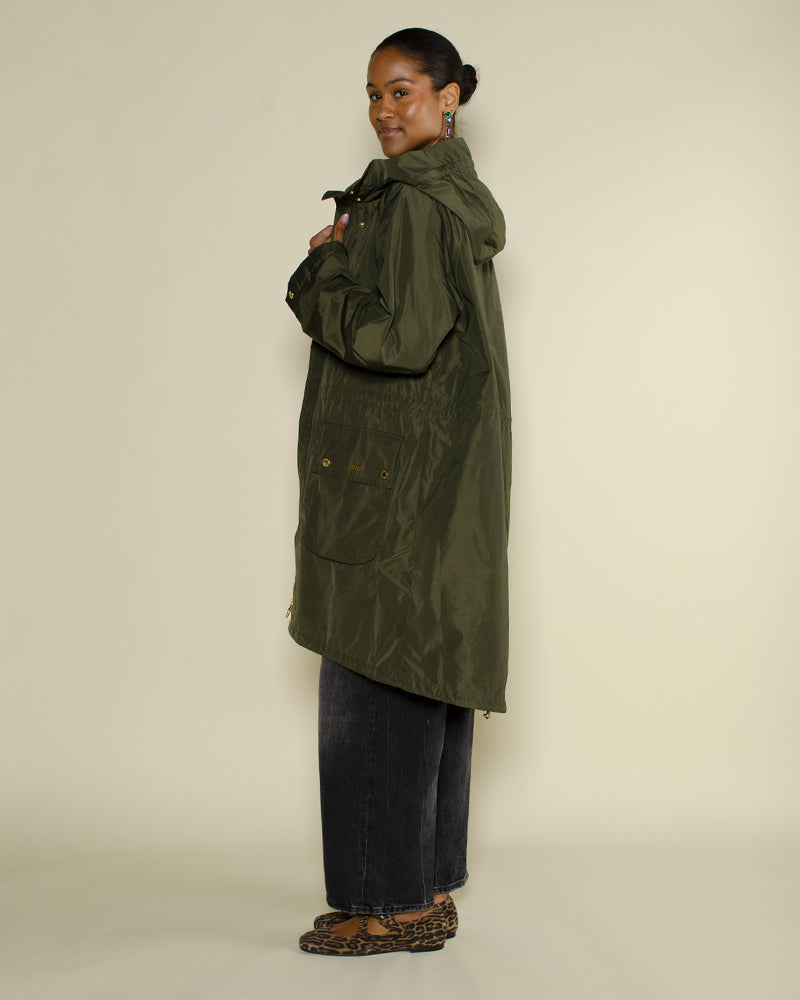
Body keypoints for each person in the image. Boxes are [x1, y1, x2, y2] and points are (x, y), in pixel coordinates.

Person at [285, 27, 511, 956]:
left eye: (403, 90)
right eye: (375, 93)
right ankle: (421, 893)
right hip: (432, 478)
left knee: (374, 674)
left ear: (449, 97)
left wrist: (320, 276)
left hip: (392, 484)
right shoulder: (446, 195)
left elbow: (400, 341)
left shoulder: (413, 205)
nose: (384, 109)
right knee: (422, 671)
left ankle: (387, 906)